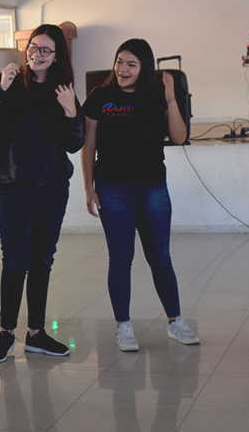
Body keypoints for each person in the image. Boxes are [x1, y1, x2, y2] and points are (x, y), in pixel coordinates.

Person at [0, 24, 85, 364]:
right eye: (33, 47)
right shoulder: (9, 81)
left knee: (42, 261)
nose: (37, 54)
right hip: (9, 187)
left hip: (51, 188)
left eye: (46, 50)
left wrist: (71, 111)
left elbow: (75, 144)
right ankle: (6, 332)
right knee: (16, 260)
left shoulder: (63, 89)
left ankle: (36, 334)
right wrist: (0, 89)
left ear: (57, 56)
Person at [82, 38, 199, 352]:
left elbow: (179, 137)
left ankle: (175, 321)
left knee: (160, 257)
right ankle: (124, 326)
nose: (122, 69)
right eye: (120, 61)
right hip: (112, 188)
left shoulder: (156, 95)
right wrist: (89, 188)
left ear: (144, 67)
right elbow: (89, 145)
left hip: (152, 188)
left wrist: (171, 96)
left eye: (131, 64)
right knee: (121, 259)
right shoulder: (100, 96)